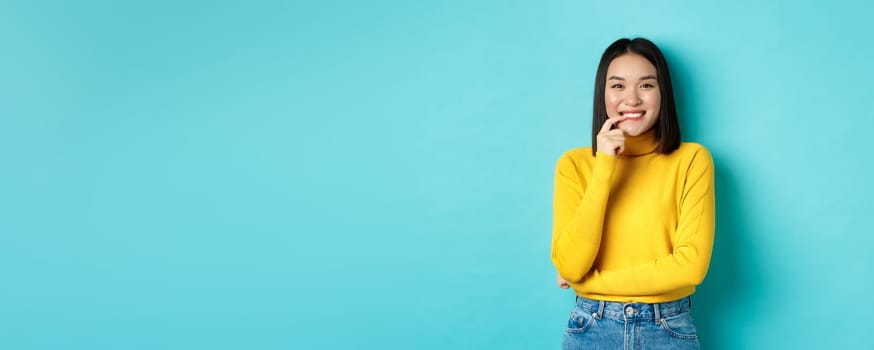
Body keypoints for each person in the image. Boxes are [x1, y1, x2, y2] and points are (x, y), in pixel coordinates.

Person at [551, 37, 715, 350]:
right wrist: (604, 168)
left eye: (646, 85)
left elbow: (690, 267)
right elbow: (571, 264)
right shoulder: (574, 164)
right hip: (592, 328)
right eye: (618, 86)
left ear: (662, 92)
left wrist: (591, 283)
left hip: (668, 328)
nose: (632, 99)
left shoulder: (692, 160)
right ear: (603, 93)